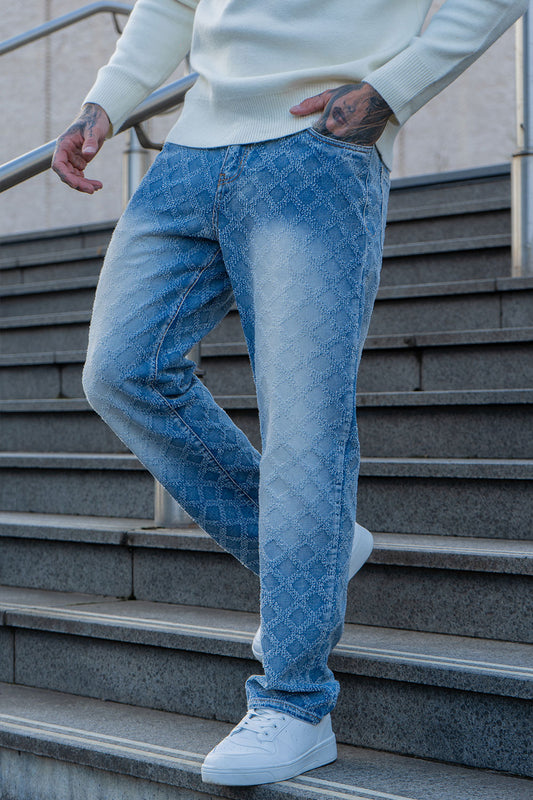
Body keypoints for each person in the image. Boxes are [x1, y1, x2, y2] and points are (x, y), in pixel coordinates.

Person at [52, 0, 527, 787]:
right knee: (121, 371)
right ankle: (323, 549)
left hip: (315, 147)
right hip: (192, 149)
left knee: (304, 428)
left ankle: (296, 702)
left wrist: (390, 91)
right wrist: (106, 99)